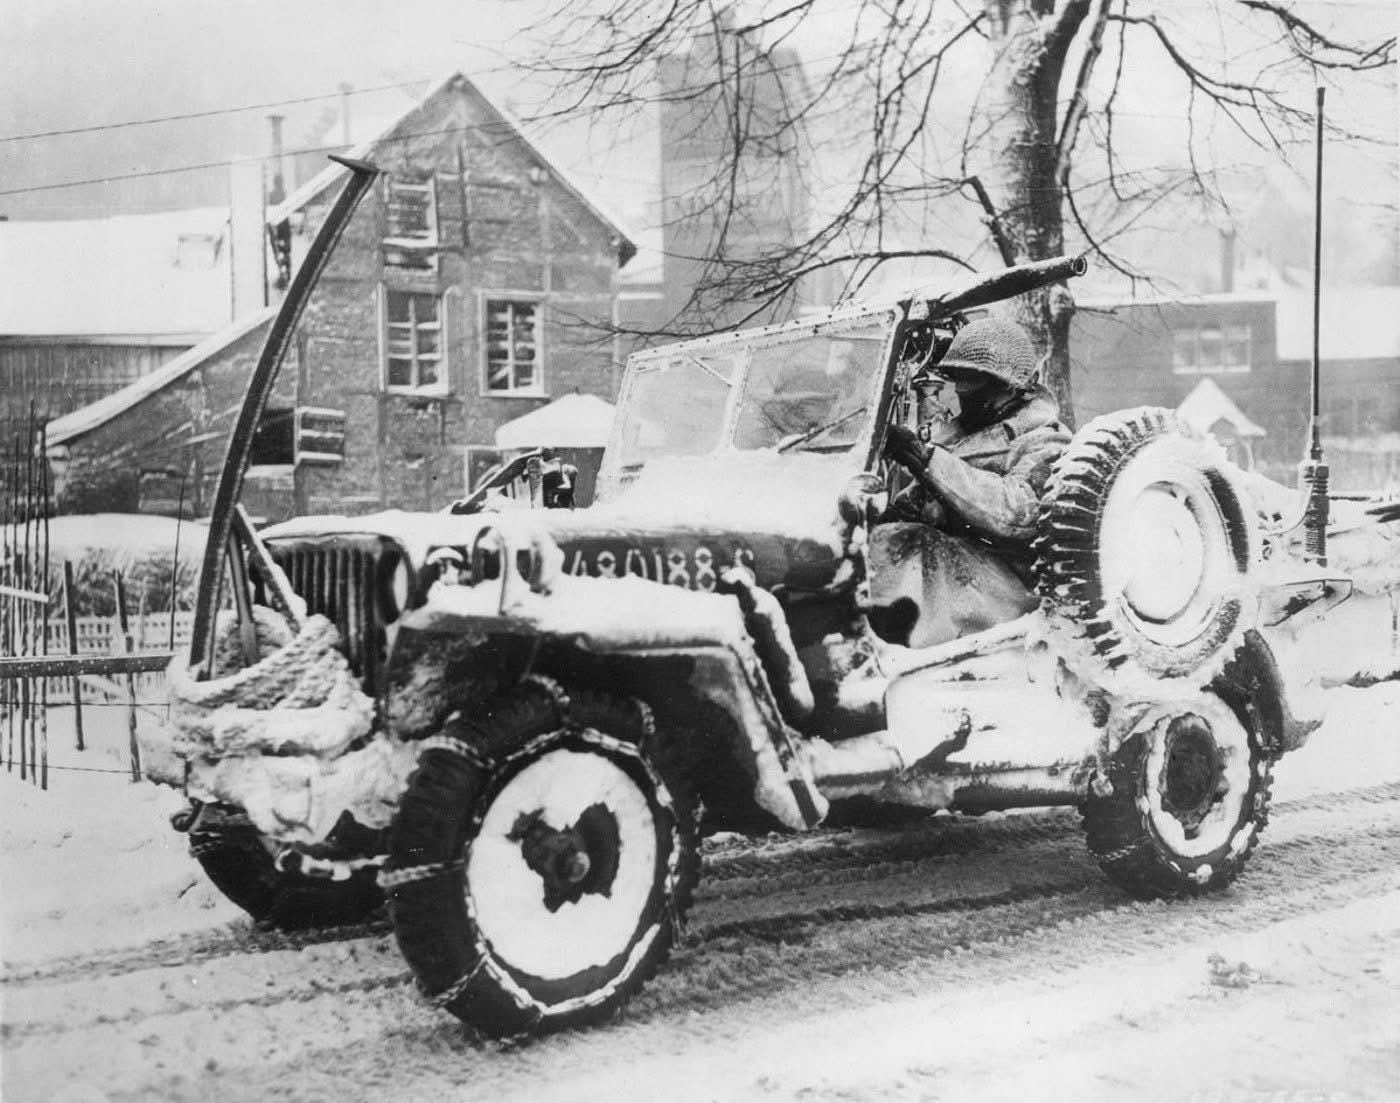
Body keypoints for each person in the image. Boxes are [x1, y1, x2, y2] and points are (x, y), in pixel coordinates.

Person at [869, 316, 1071, 647]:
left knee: (916, 543)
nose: (962, 392)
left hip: (1009, 589)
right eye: (959, 380)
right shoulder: (957, 438)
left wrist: (925, 458)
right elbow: (912, 507)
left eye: (974, 381)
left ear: (1010, 385)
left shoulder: (1046, 440)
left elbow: (1018, 513)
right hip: (950, 577)